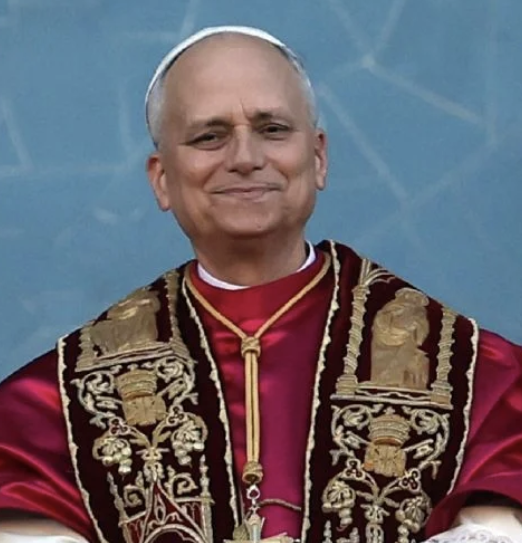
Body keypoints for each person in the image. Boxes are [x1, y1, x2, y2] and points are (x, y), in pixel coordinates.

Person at [0, 26, 521, 543]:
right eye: (209, 137)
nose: (245, 158)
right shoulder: (53, 407)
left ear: (318, 157)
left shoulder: (476, 376)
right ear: (161, 178)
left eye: (272, 129)